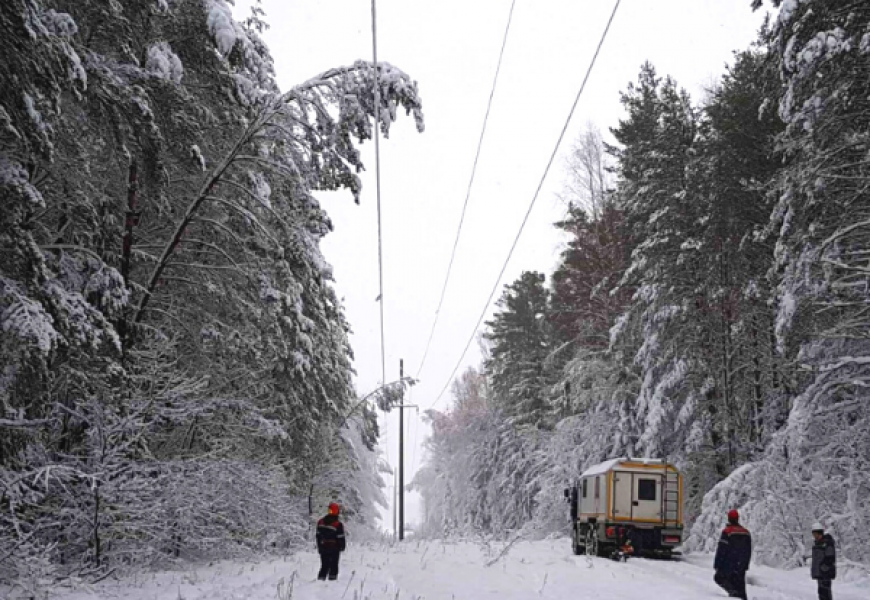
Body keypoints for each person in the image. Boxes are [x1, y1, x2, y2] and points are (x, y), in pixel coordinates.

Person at [713, 509, 752, 600]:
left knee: (719, 578)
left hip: (729, 564)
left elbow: (721, 550)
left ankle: (733, 594)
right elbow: (748, 550)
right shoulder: (746, 533)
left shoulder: (727, 532)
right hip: (741, 564)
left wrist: (717, 565)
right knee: (741, 586)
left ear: (729, 518)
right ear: (737, 518)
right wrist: (745, 564)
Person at [316, 502, 346, 581]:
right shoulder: (338, 524)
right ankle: (332, 582)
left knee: (324, 566)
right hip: (334, 548)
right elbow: (340, 537)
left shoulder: (320, 522)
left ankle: (320, 581)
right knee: (334, 566)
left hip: (323, 547)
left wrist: (319, 547)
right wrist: (342, 547)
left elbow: (318, 536)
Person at [810, 523, 836, 600]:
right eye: (813, 534)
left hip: (825, 574)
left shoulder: (827, 543)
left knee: (825, 594)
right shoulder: (818, 543)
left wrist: (824, 568)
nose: (814, 536)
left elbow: (830, 558)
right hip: (820, 574)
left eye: (816, 534)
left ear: (820, 533)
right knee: (821, 593)